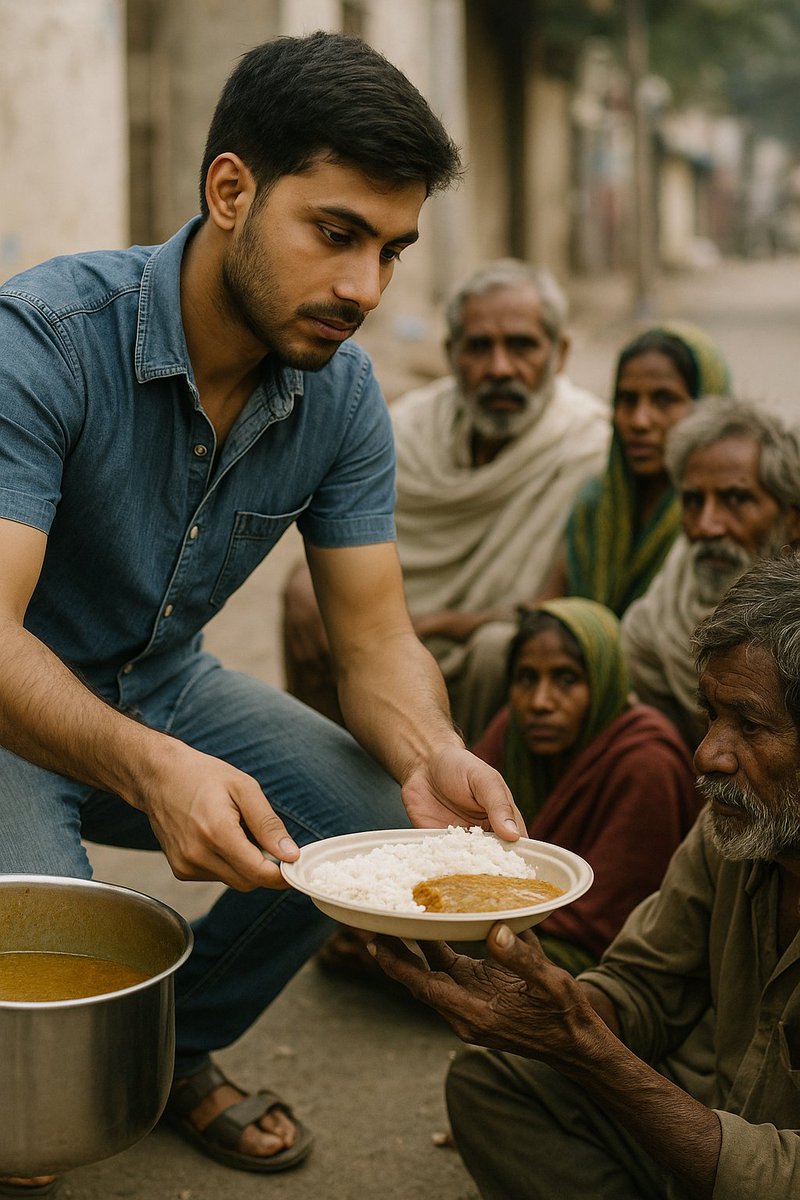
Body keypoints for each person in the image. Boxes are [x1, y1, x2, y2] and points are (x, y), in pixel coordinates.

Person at [0, 31, 527, 1192]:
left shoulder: (340, 393)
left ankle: (169, 1049)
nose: (364, 289)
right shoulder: (42, 341)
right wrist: (152, 768)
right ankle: (45, 1085)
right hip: (8, 709)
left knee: (367, 817)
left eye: (390, 251)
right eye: (335, 233)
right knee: (40, 1016)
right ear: (231, 190)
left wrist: (431, 755)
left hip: (160, 685)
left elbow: (373, 638)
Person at [371, 551, 800, 1200]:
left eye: (750, 724)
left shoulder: (651, 764)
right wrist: (549, 1013)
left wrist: (591, 1054)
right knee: (495, 1080)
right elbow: (645, 983)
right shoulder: (734, 829)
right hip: (706, 1113)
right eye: (711, 716)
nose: (708, 754)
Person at [282, 258, 610, 739]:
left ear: (559, 354)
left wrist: (437, 625)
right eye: (479, 347)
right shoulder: (408, 428)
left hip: (490, 646)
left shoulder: (589, 449)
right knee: (305, 597)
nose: (500, 368)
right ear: (451, 354)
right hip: (385, 633)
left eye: (522, 346)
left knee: (498, 648)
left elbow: (556, 607)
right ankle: (322, 767)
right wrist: (306, 582)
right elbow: (344, 531)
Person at [471, 598, 701, 975]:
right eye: (527, 678)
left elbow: (608, 919)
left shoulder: (647, 762)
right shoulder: (513, 731)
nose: (540, 702)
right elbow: (464, 848)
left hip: (599, 958)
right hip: (507, 918)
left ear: (604, 682)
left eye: (566, 679)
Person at [622, 395, 800, 747]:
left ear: (792, 520)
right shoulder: (660, 612)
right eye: (693, 501)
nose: (707, 526)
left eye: (736, 499)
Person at [556, 322, 730, 615]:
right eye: (627, 400)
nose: (639, 421)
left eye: (664, 400)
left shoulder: (720, 517)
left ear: (706, 408)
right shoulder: (595, 506)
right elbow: (550, 604)